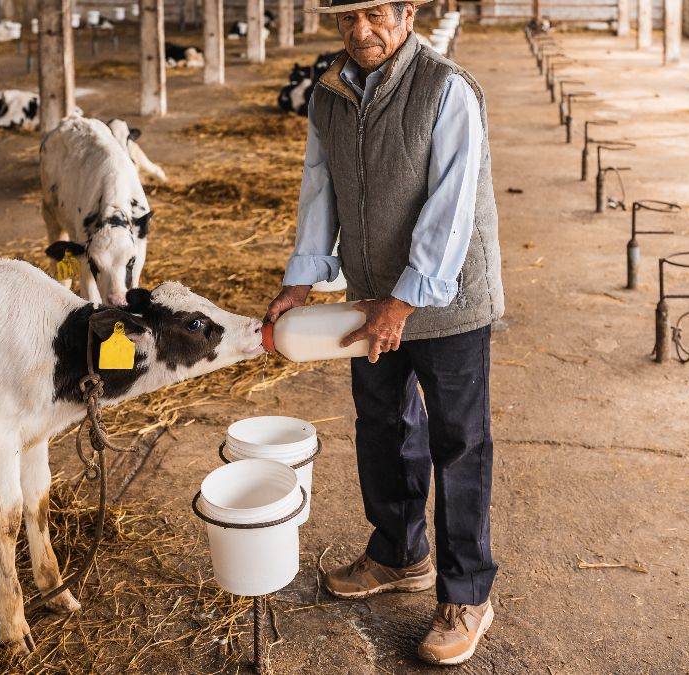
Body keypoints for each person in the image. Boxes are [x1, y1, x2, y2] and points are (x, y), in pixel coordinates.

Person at [264, 0, 504, 665]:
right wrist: (303, 280)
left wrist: (405, 300)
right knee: (383, 424)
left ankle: (466, 593)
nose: (360, 32)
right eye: (346, 19)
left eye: (373, 14)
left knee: (460, 441)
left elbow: (451, 207)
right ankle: (400, 552)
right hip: (370, 295)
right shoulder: (332, 94)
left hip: (448, 298)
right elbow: (320, 188)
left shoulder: (446, 88)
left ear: (406, 13)